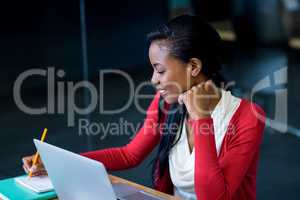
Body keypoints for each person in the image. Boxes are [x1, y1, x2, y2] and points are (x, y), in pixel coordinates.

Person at [22, 15, 265, 200]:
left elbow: (214, 196)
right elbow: (129, 154)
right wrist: (57, 162)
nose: (153, 79)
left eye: (160, 70)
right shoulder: (166, 104)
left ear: (193, 67)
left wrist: (201, 118)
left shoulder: (247, 117)